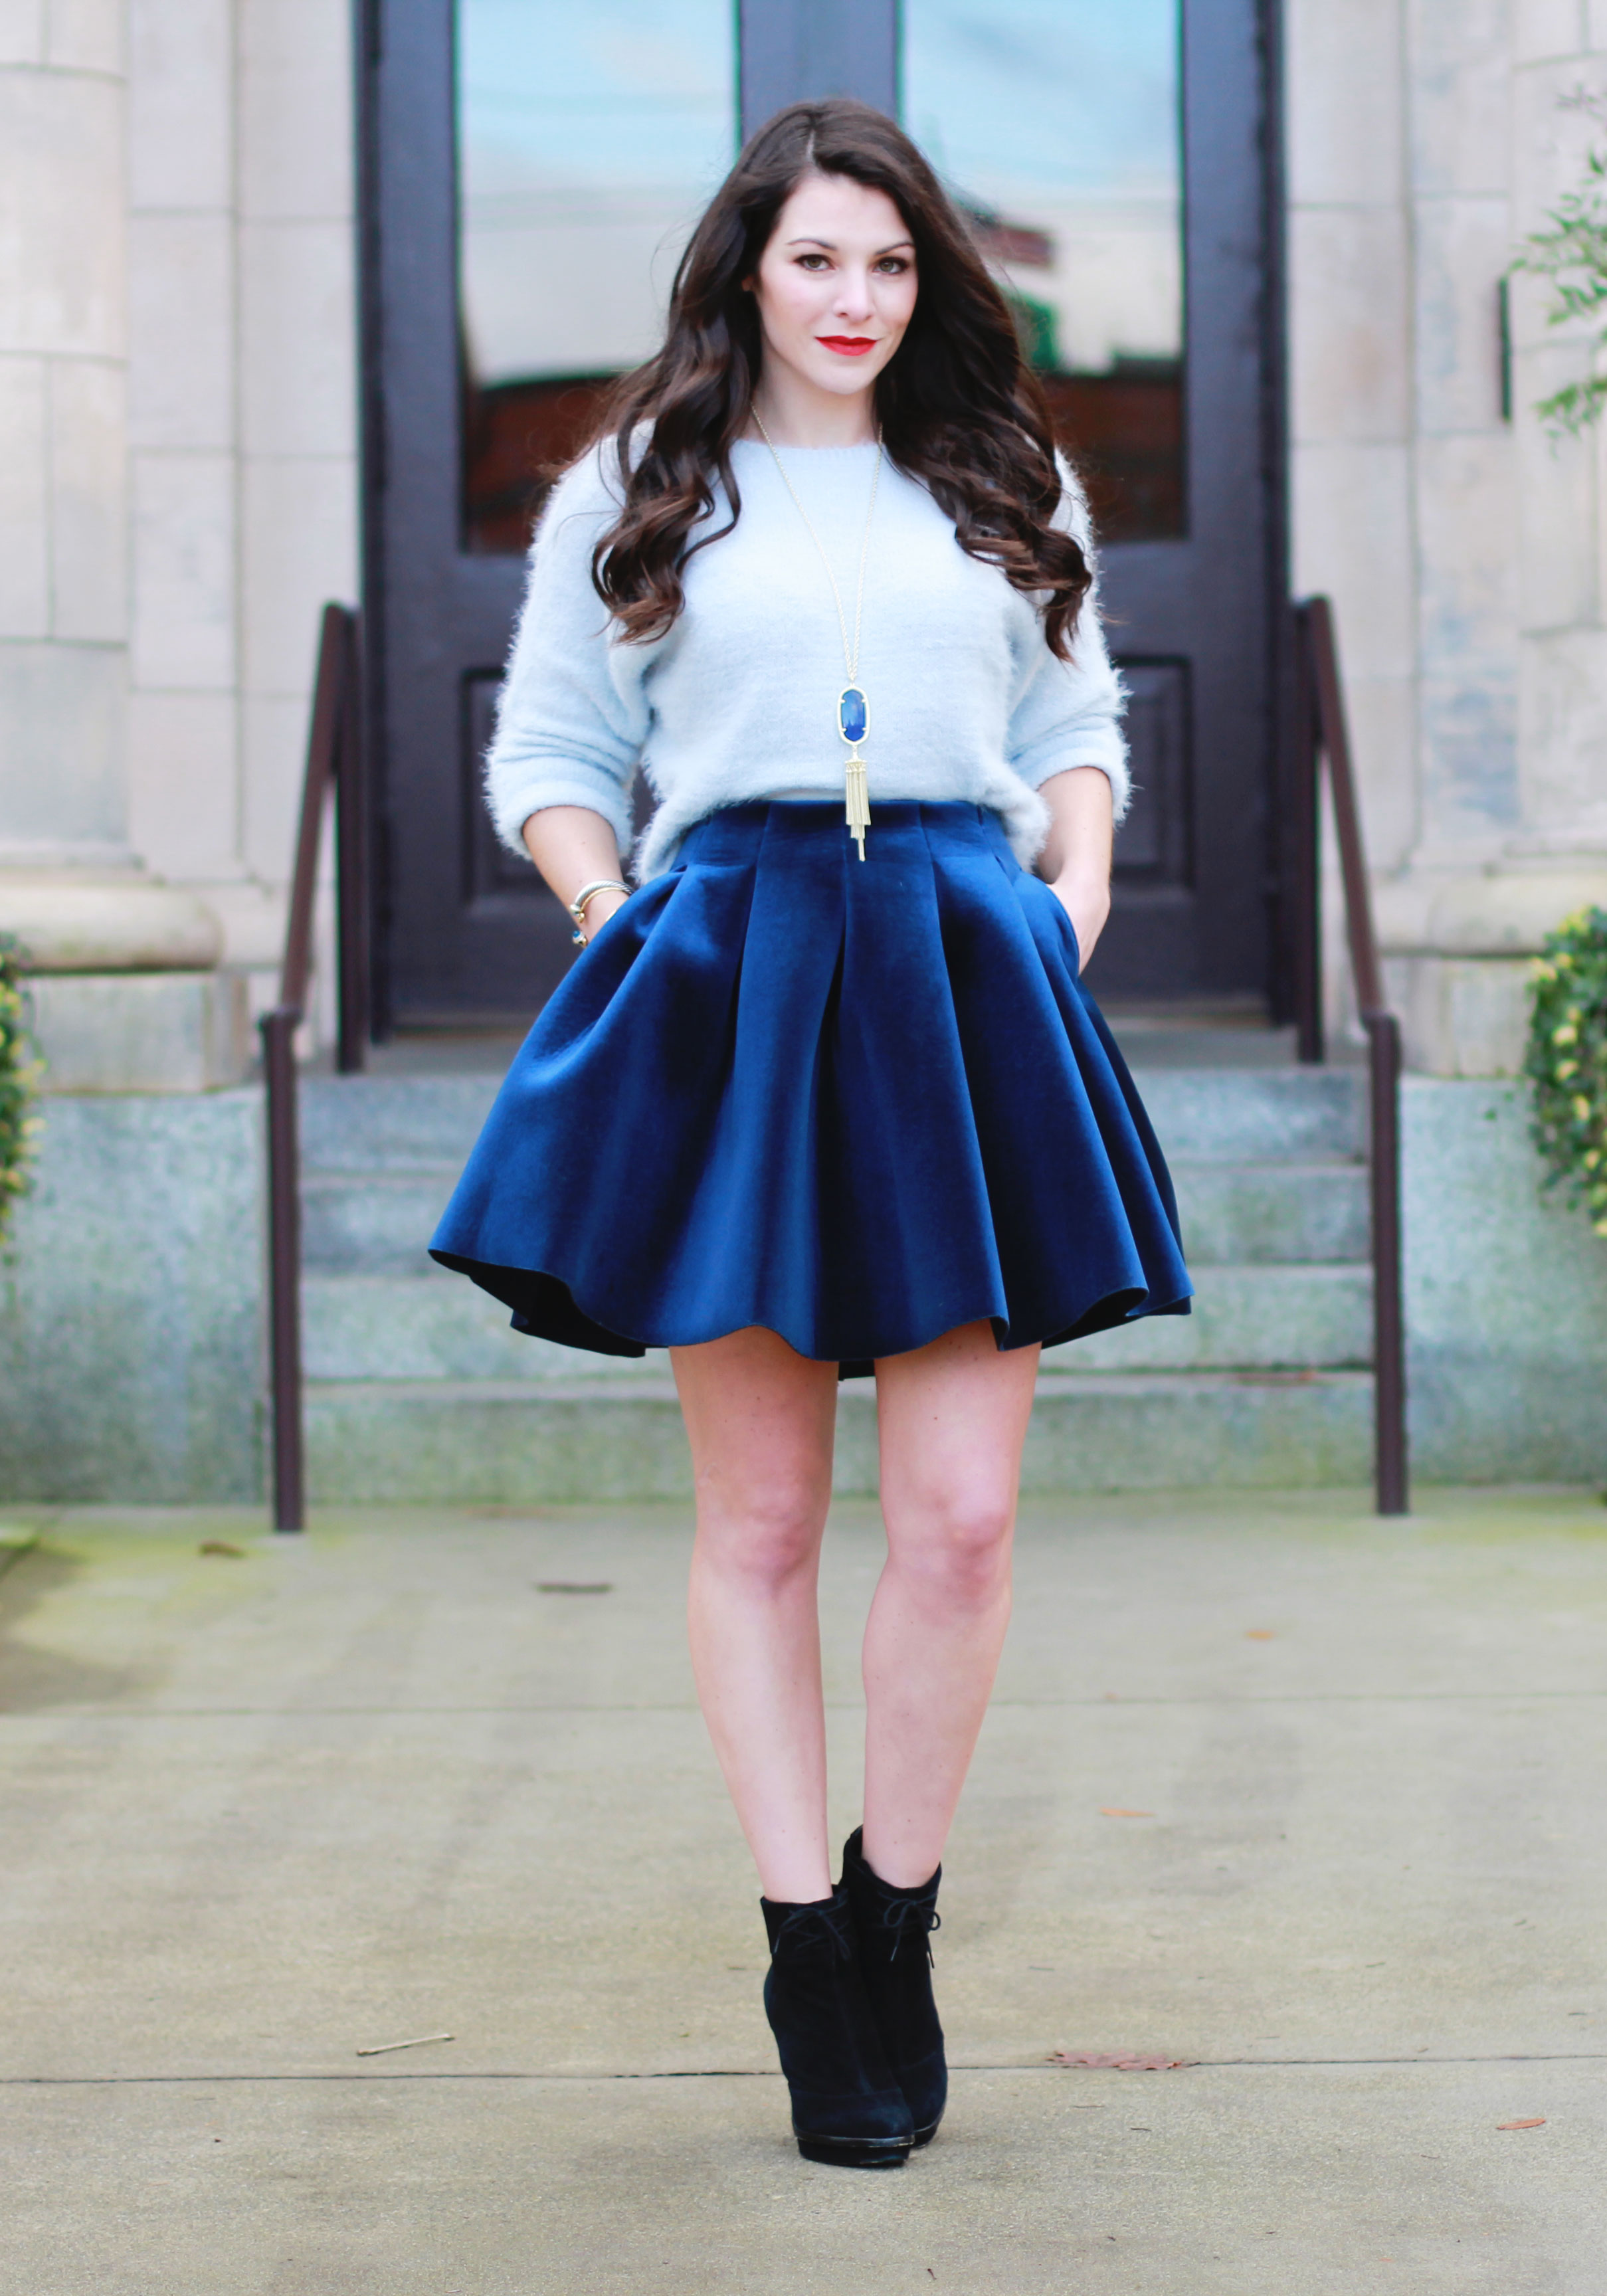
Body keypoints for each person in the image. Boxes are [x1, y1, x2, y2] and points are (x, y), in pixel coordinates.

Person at [431, 98, 1191, 2170]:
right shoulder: (641, 484)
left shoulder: (1001, 482)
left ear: (925, 276)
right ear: (745, 273)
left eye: (886, 262)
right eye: (813, 261)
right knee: (759, 1524)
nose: (853, 300)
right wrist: (614, 926)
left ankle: (898, 1913)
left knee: (955, 1515)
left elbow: (1071, 725)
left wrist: (1071, 893)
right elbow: (554, 751)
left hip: (961, 970)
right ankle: (798, 1947)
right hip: (731, 976)